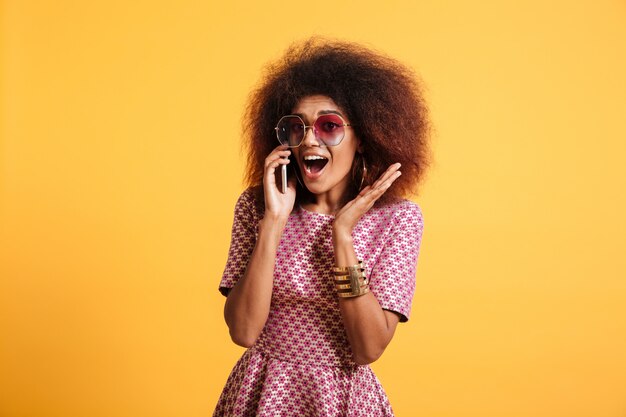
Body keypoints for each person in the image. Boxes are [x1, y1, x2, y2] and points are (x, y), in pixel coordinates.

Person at [213, 37, 430, 417]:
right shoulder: (257, 206)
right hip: (261, 393)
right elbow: (244, 332)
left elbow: (368, 349)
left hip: (342, 400)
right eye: (296, 129)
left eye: (328, 126)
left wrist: (342, 236)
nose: (310, 139)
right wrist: (274, 224)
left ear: (363, 138)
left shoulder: (398, 219)